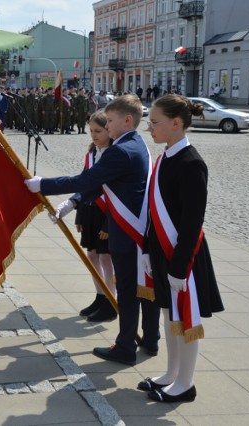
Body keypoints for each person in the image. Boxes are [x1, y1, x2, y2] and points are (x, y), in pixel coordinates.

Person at [24, 94, 160, 365]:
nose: (107, 126)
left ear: (128, 120)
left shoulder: (120, 150)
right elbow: (100, 185)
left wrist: (43, 185)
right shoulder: (136, 143)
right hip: (137, 228)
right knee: (144, 288)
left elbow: (88, 179)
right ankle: (151, 339)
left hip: (125, 230)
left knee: (131, 289)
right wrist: (73, 202)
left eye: (110, 121)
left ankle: (125, 347)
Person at [139, 94, 224, 402]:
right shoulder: (164, 157)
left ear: (176, 123)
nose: (149, 128)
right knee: (168, 314)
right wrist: (149, 249)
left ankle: (185, 384)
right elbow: (152, 210)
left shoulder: (192, 164)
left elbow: (191, 223)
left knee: (186, 320)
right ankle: (171, 374)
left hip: (183, 258)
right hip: (163, 252)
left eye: (154, 122)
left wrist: (178, 267)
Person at [73, 111, 117, 322]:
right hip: (91, 210)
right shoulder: (91, 153)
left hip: (108, 213)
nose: (94, 135)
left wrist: (109, 224)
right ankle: (100, 296)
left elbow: (117, 194)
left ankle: (111, 300)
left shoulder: (114, 154)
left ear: (110, 129)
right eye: (91, 131)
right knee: (92, 256)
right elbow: (84, 182)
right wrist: (80, 215)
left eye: (98, 131)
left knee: (106, 258)